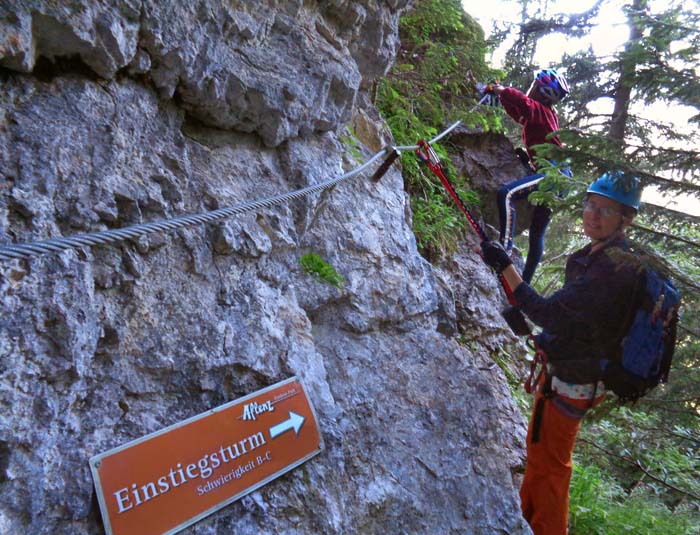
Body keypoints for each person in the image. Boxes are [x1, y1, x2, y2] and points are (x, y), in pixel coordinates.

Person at [480, 174, 644, 535]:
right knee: (540, 455)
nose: (592, 215)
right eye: (590, 204)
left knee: (552, 465)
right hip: (567, 372)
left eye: (605, 210)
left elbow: (547, 312)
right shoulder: (593, 256)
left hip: (574, 381)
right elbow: (572, 321)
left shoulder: (612, 269)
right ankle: (526, 521)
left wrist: (504, 265)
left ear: (625, 219)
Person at [485, 68, 571, 284]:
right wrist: (499, 96)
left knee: (506, 195)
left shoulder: (542, 111)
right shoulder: (543, 114)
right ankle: (525, 286)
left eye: (534, 87)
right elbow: (519, 113)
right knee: (537, 234)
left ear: (543, 93)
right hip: (558, 177)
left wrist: (502, 90)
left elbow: (524, 104)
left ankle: (504, 250)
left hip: (554, 173)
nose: (530, 90)